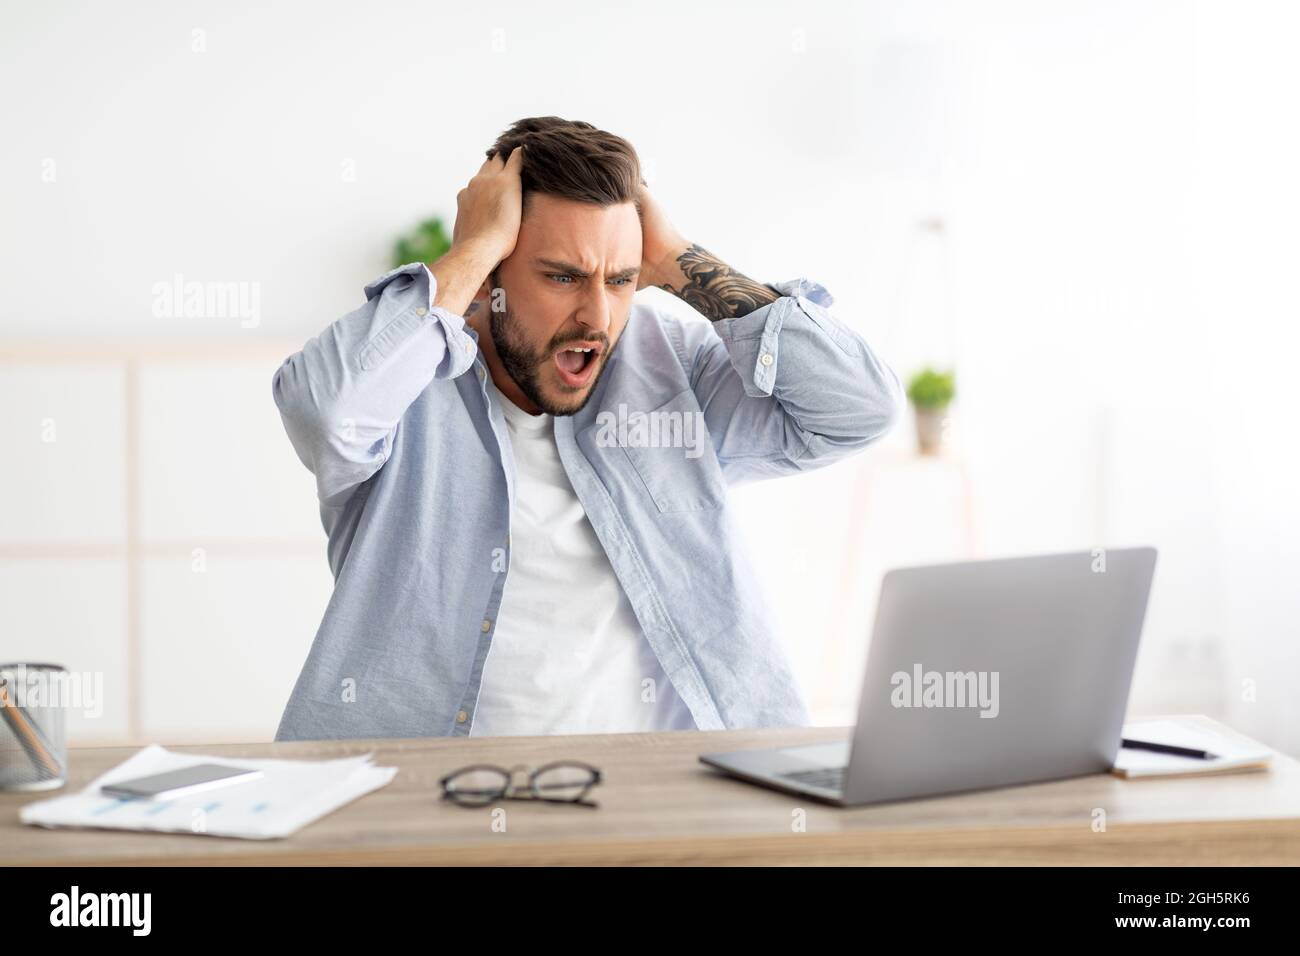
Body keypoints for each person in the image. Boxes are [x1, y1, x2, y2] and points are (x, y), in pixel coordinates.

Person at [272, 116, 903, 741]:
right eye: (563, 276)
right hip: (434, 799)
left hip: (660, 797)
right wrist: (473, 247)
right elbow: (326, 415)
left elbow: (860, 408)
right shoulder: (405, 387)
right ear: (491, 276)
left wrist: (676, 257)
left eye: (622, 279)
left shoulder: (671, 365)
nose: (597, 315)